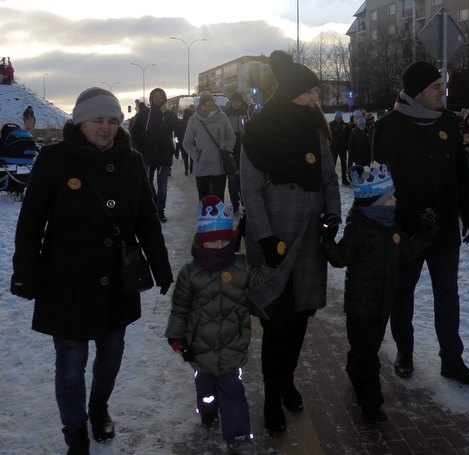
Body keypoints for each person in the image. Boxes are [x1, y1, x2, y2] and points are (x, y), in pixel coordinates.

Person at [10, 87, 173, 455]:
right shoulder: (53, 159)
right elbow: (31, 221)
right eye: (98, 120)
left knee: (111, 354)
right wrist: (25, 271)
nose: (106, 128)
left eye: (113, 121)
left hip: (117, 278)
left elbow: (146, 218)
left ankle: (98, 406)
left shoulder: (130, 160)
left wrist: (160, 266)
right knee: (70, 364)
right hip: (65, 280)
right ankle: (75, 434)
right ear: (80, 121)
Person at [240, 50, 341, 432]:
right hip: (275, 235)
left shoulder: (314, 130)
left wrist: (333, 216)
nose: (316, 98)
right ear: (294, 92)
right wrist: (265, 237)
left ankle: (286, 381)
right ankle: (271, 393)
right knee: (277, 319)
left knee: (300, 316)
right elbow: (250, 189)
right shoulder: (258, 129)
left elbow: (329, 178)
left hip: (310, 232)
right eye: (311, 91)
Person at [372, 61, 469, 385]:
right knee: (402, 293)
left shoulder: (449, 121)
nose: (442, 93)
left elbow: (461, 172)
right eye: (436, 87)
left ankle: (452, 361)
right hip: (407, 228)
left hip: (445, 227)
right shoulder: (389, 126)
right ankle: (404, 353)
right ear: (417, 92)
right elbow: (379, 180)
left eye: (442, 86)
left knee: (448, 294)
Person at [320, 166, 437, 423]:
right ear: (378, 202)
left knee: (367, 348)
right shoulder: (360, 228)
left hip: (384, 303)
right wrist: (327, 240)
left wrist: (424, 235)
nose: (396, 201)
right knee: (369, 357)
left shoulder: (392, 227)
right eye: (391, 197)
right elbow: (340, 258)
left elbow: (405, 253)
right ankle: (371, 405)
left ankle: (355, 369)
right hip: (361, 304)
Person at [165, 195, 272, 453]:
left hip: (232, 345)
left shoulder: (240, 265)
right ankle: (207, 411)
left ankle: (238, 435)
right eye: (213, 240)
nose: (220, 245)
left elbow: (258, 282)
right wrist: (176, 340)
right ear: (202, 240)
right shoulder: (190, 273)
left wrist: (271, 263)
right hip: (201, 348)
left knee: (233, 390)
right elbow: (180, 309)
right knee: (206, 390)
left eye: (225, 240)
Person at [130, 88, 184, 222]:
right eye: (156, 96)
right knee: (147, 182)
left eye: (160, 96)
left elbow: (179, 128)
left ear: (164, 98)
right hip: (147, 155)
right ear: (151, 98)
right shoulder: (144, 114)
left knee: (162, 185)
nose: (158, 99)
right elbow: (134, 131)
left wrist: (168, 113)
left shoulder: (168, 113)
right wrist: (140, 147)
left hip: (164, 156)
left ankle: (160, 210)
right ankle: (152, 206)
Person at [182, 92, 236, 202]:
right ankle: (205, 219)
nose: (207, 108)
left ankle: (218, 219)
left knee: (218, 201)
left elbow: (231, 137)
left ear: (214, 105)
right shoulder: (194, 120)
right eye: (205, 105)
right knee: (204, 201)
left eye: (210, 105)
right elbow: (186, 142)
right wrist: (196, 155)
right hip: (202, 165)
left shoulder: (222, 117)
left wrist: (226, 150)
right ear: (200, 105)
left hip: (219, 165)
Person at [222, 92, 250, 213]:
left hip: (245, 151)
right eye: (235, 101)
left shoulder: (248, 113)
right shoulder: (226, 114)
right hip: (231, 152)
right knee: (232, 180)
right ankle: (235, 204)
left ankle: (245, 202)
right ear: (231, 102)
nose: (237, 103)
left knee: (244, 179)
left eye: (239, 101)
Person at [329, 111, 350, 185]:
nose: (338, 118)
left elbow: (348, 136)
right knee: (332, 164)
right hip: (333, 147)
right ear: (335, 117)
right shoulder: (330, 125)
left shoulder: (345, 126)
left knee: (344, 164)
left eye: (340, 117)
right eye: (337, 117)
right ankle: (332, 179)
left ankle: (344, 178)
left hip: (342, 148)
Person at [178, 107, 194, 175]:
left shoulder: (181, 122)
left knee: (185, 156)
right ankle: (191, 169)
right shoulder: (193, 122)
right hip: (192, 140)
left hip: (183, 140)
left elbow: (178, 131)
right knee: (192, 155)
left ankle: (186, 169)